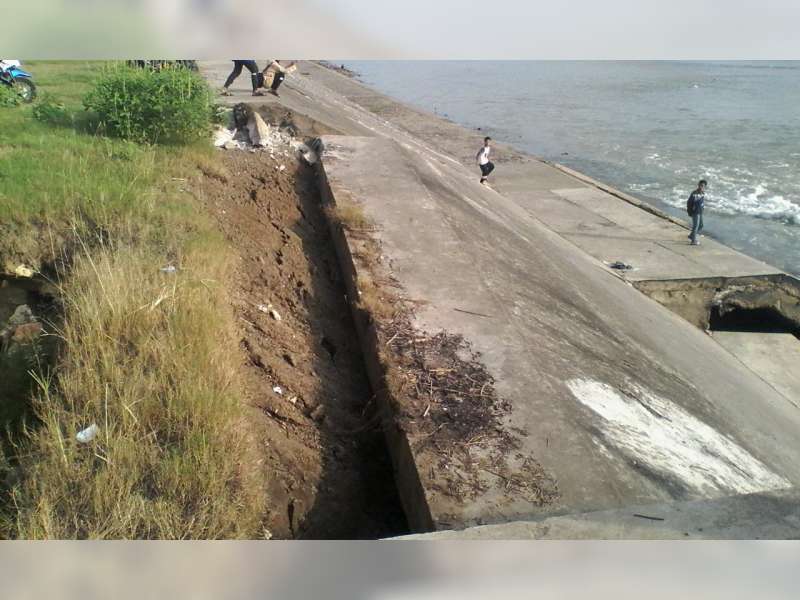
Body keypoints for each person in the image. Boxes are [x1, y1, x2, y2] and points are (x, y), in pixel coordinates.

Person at [686, 179, 708, 246]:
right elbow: (689, 203)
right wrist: (689, 212)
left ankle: (691, 235)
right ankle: (693, 241)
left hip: (700, 212)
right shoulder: (694, 193)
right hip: (695, 212)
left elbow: (702, 202)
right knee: (695, 226)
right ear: (698, 185)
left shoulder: (703, 193)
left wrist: (703, 207)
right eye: (700, 185)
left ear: (704, 187)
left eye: (703, 186)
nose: (701, 187)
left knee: (701, 225)